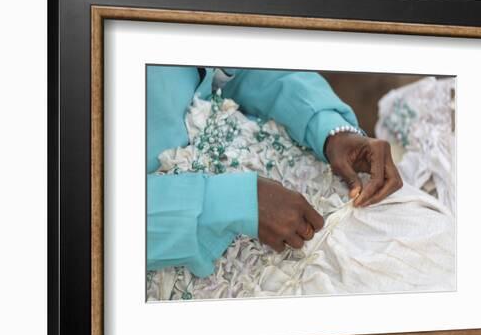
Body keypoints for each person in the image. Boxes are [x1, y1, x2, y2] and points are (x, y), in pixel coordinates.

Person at [147, 66, 402, 277]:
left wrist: (330, 129)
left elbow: (244, 63)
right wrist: (232, 204)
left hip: (260, 150)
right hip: (171, 242)